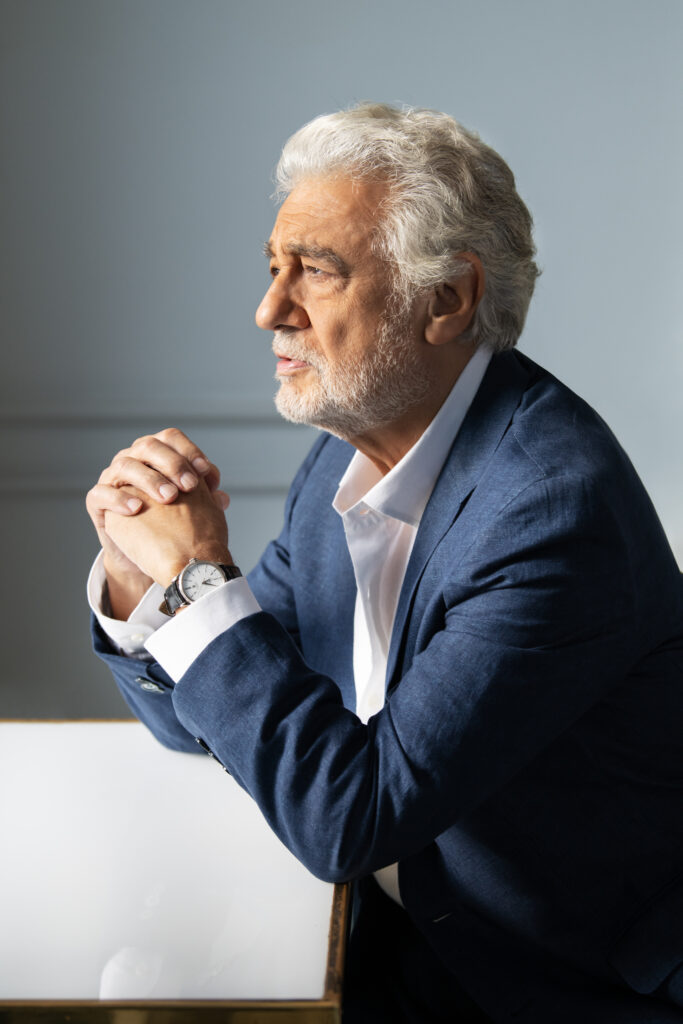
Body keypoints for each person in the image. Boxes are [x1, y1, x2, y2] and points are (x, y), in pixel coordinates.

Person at [86, 103, 683, 1023]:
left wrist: (196, 585)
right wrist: (140, 579)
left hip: (557, 984)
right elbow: (213, 721)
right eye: (273, 267)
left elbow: (347, 819)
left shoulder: (552, 513)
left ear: (446, 300)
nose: (269, 310)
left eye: (316, 273)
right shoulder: (347, 450)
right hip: (392, 939)